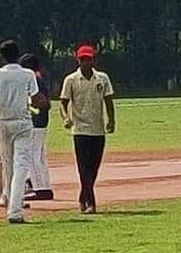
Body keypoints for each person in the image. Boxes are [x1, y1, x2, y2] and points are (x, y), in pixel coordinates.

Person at [0, 38, 41, 224]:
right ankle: (15, 210)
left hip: (3, 123)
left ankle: (7, 198)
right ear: (18, 55)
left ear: (2, 56)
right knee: (21, 167)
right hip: (22, 122)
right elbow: (37, 99)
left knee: (8, 165)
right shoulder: (28, 74)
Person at [58, 44, 117, 214]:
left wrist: (111, 120)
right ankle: (91, 202)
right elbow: (63, 103)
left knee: (94, 167)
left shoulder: (102, 79)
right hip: (80, 129)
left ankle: (83, 196)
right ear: (78, 60)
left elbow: (108, 100)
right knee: (83, 167)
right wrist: (66, 118)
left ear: (93, 60)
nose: (85, 62)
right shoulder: (71, 80)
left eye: (88, 59)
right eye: (82, 59)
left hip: (98, 129)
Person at [19, 53, 57, 201]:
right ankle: (44, 185)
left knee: (33, 156)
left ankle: (41, 189)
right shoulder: (40, 78)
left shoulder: (33, 80)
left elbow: (40, 102)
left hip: (35, 121)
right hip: (42, 121)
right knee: (40, 155)